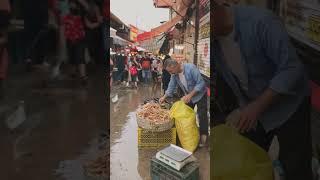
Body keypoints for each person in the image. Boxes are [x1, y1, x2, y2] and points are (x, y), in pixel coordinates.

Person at [212, 1, 311, 179]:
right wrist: (243, 108)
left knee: (296, 167)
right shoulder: (214, 42)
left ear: (213, 12)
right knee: (251, 161)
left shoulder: (261, 22)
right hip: (255, 111)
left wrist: (257, 106)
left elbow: (292, 68)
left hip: (289, 108)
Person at [159, 58, 208, 147]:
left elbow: (201, 84)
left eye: (171, 71)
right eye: (169, 72)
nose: (171, 73)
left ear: (176, 65)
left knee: (202, 115)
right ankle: (189, 133)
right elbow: (171, 86)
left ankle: (203, 136)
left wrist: (190, 95)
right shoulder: (175, 75)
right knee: (185, 114)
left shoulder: (191, 68)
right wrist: (164, 97)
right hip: (188, 96)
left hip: (200, 95)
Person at [63, 0, 88, 85]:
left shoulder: (81, 15)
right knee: (72, 58)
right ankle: (74, 75)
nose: (72, 6)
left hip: (79, 39)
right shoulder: (67, 17)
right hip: (70, 39)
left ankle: (83, 77)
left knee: (80, 57)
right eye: (71, 5)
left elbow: (86, 7)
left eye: (73, 4)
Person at [84, 0, 103, 65]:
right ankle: (93, 61)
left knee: (93, 47)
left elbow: (98, 20)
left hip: (93, 31)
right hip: (92, 31)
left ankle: (93, 61)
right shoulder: (94, 7)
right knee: (93, 47)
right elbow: (99, 21)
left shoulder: (94, 7)